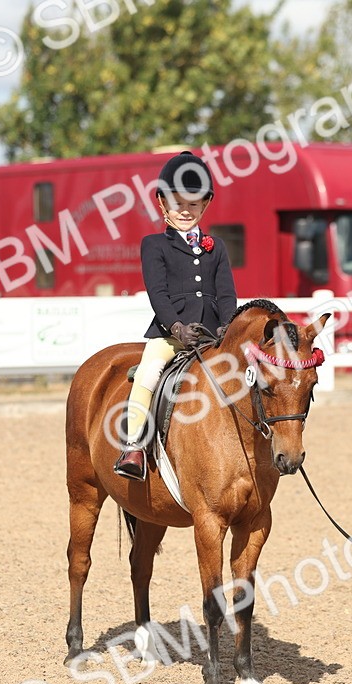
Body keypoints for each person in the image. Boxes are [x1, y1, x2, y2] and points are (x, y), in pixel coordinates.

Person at [113, 151, 238, 481]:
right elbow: (158, 294)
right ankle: (133, 447)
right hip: (171, 335)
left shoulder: (216, 246)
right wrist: (177, 327)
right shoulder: (154, 245)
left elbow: (226, 294)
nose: (185, 210)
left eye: (193, 204)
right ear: (162, 203)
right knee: (148, 373)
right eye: (177, 203)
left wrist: (228, 327)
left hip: (212, 335)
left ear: (205, 205)